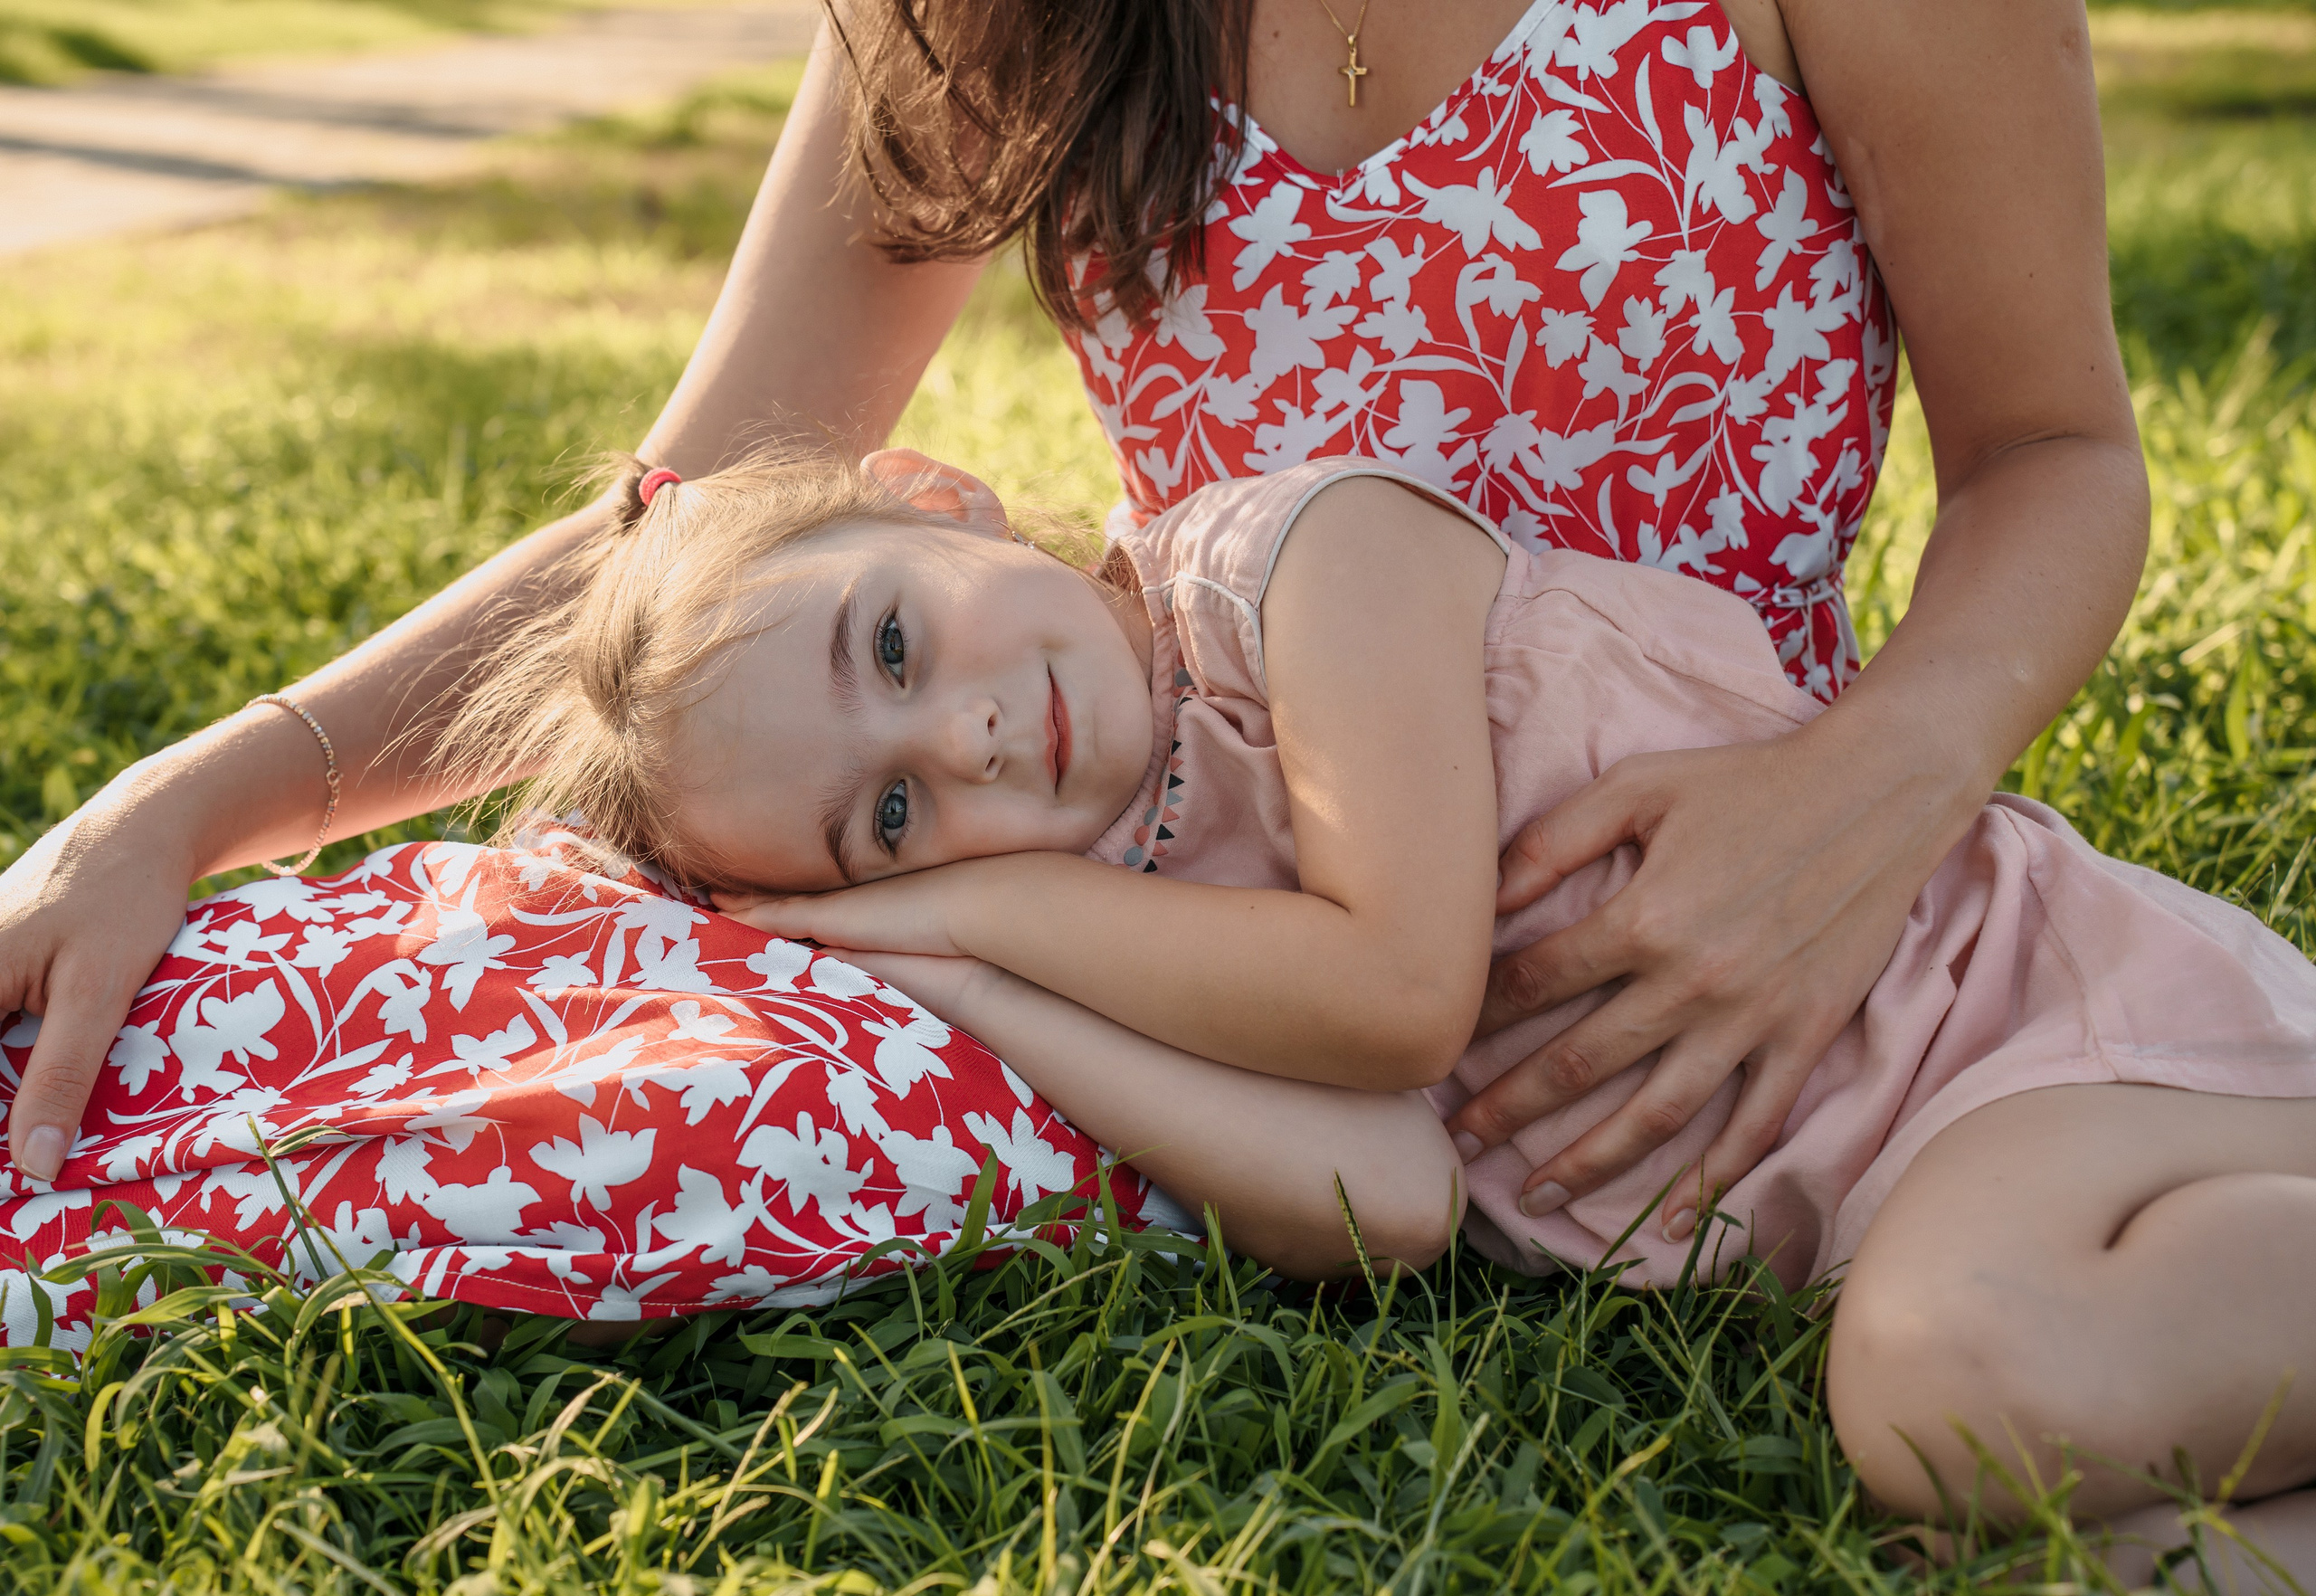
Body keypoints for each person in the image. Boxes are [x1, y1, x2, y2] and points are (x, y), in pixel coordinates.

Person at [0, 0, 2148, 1256]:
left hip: (1730, 927)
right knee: (517, 1013)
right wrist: (188, 803)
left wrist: (1869, 788)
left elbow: (2052, 452)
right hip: (1203, 931)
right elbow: (696, 539)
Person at [428, 444, 2316, 1596]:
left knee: (1951, 1380)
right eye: (892, 819)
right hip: (1948, 1191)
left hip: (2044, 1036)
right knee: (2027, 1560)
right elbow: (1390, 1197)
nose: (969, 739)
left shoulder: (1306, 566)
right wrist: (969, 990)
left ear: (937, 499)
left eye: (895, 645)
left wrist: (971, 908)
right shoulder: (1127, 906)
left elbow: (1401, 996)